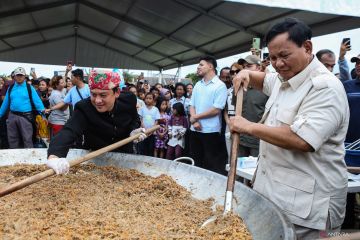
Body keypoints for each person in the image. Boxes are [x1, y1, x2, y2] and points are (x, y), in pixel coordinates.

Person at [230, 18, 349, 239]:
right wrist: (245, 74)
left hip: (309, 208)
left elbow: (302, 139)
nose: (278, 64)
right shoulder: (286, 77)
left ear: (307, 47)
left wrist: (248, 126)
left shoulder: (325, 87)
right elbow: (265, 79)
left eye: (284, 56)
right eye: (273, 58)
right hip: (277, 196)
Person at [47, 70, 146, 174]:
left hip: (124, 158)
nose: (97, 101)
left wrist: (133, 131)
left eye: (103, 95)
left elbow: (134, 119)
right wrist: (54, 156)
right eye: (93, 94)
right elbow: (69, 130)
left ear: (116, 92)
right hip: (95, 160)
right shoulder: (84, 108)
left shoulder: (128, 100)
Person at [189, 56, 228, 175]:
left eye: (201, 65)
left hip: (211, 131)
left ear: (210, 66)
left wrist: (196, 117)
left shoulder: (220, 86)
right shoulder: (197, 84)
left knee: (211, 163)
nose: (198, 67)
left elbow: (216, 110)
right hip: (194, 129)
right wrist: (194, 121)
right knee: (195, 161)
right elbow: (192, 105)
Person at [0, 67, 46, 148]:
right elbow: (5, 103)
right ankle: (15, 158)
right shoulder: (10, 88)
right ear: (14, 76)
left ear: (24, 76)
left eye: (21, 75)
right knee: (12, 139)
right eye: (18, 75)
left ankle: (29, 159)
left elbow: (37, 101)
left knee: (27, 138)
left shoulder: (29, 87)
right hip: (12, 116)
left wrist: (43, 114)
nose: (19, 77)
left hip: (26, 116)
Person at [236, 55, 269, 157]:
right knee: (239, 170)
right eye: (244, 67)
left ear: (258, 68)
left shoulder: (267, 88)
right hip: (240, 138)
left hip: (259, 140)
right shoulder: (240, 86)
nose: (245, 69)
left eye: (249, 66)